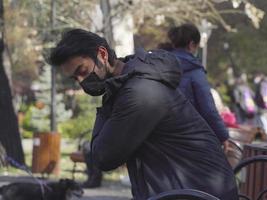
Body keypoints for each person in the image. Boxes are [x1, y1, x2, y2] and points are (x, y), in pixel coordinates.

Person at [48, 29, 238, 199]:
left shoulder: (140, 93)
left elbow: (102, 157)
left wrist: (108, 96)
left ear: (102, 54)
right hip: (187, 190)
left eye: (82, 71)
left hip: (195, 192)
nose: (81, 81)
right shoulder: (132, 84)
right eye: (75, 78)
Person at [167, 24, 230, 151]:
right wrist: (223, 136)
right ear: (191, 45)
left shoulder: (160, 64)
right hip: (188, 136)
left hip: (161, 134)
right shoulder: (194, 71)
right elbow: (208, 108)